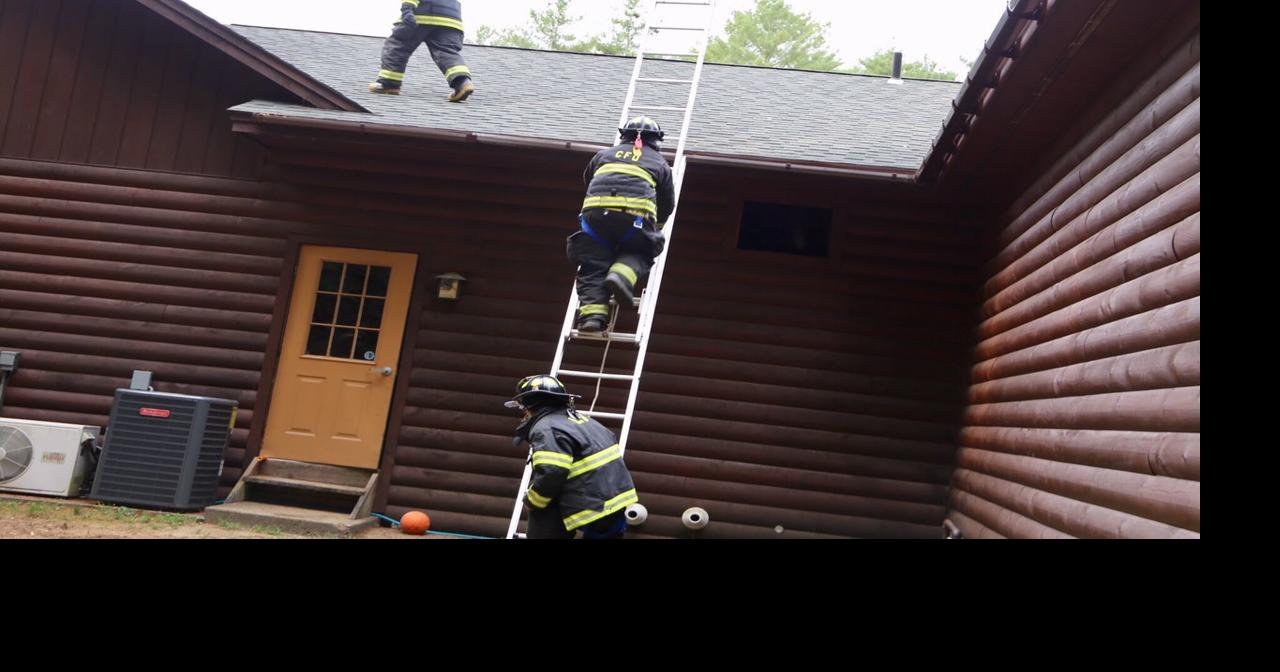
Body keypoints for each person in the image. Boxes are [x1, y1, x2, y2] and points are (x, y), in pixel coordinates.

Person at [569, 116, 675, 332]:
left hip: (594, 220)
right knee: (644, 249)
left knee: (593, 264)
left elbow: (588, 181)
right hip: (634, 220)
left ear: (624, 136)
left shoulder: (603, 155)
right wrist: (655, 229)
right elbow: (666, 204)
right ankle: (620, 276)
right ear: (655, 141)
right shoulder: (659, 163)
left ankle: (592, 317)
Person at [506, 375, 638, 539]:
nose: (523, 413)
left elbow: (552, 471)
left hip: (592, 504)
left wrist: (532, 501)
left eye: (523, 407)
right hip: (615, 500)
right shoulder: (583, 420)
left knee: (543, 509)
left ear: (531, 404)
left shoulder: (546, 427)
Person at [369, 0, 475, 102]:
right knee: (447, 52)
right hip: (451, 18)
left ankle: (389, 84)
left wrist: (407, 9)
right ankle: (463, 83)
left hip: (422, 14)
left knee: (398, 46)